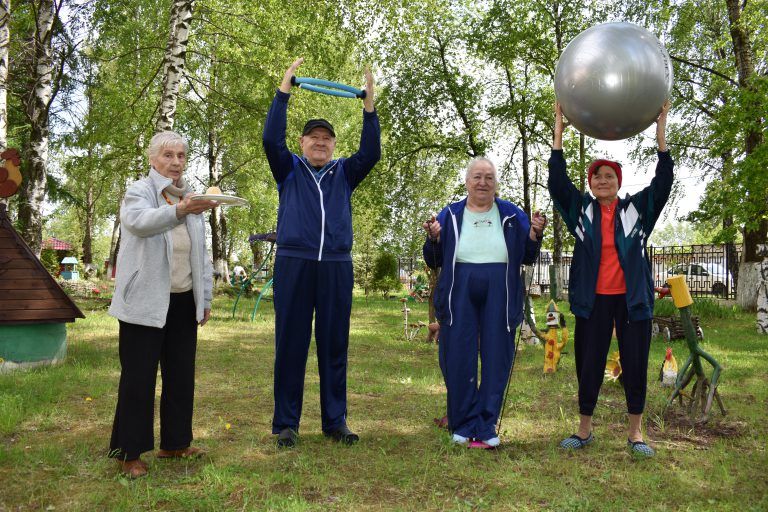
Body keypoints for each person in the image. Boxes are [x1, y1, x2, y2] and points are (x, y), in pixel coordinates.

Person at [262, 58, 380, 448]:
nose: (320, 142)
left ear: (333, 145)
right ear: (302, 143)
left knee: (334, 345)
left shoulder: (345, 172)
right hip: (294, 262)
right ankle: (286, 424)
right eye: (313, 137)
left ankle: (335, 421)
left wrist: (368, 106)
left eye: (326, 138)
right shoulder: (288, 169)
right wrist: (284, 91)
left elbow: (372, 152)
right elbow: (269, 140)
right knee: (291, 345)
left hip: (335, 266)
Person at [548, 101, 673, 457]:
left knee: (634, 365)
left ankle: (636, 434)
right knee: (588, 365)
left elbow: (663, 183)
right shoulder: (581, 212)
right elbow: (557, 182)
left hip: (632, 301)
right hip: (593, 301)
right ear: (591, 183)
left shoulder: (636, 211)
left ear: (618, 182)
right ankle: (584, 430)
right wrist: (559, 131)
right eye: (597, 177)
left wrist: (660, 136)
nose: (603, 181)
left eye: (610, 176)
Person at [108, 131, 218, 478]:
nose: (176, 162)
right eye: (168, 155)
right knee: (139, 378)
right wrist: (179, 211)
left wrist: (205, 299)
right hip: (144, 300)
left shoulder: (191, 197)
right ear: (153, 159)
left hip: (183, 301)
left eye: (182, 156)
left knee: (181, 375)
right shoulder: (139, 191)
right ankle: (129, 452)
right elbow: (138, 224)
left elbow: (200, 253)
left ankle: (175, 443)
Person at [423, 158, 546, 448]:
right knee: (458, 354)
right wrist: (434, 239)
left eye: (489, 177)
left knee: (497, 353)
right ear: (467, 182)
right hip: (459, 287)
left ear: (496, 184)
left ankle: (487, 423)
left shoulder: (512, 213)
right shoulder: (451, 213)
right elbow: (433, 258)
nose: (482, 182)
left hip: (500, 287)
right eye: (477, 177)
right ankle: (463, 423)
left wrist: (535, 233)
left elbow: (528, 253)